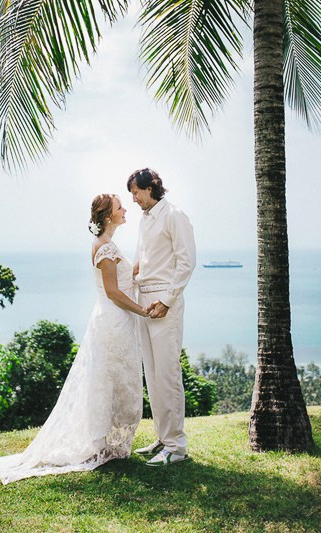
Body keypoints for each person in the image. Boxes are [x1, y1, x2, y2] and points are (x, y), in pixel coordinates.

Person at [0, 194, 148, 484]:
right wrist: (142, 310)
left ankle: (109, 443)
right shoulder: (105, 248)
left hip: (116, 320)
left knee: (114, 380)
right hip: (113, 320)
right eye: (120, 206)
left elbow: (123, 282)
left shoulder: (110, 245)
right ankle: (100, 444)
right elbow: (113, 292)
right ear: (108, 216)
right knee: (107, 381)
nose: (125, 209)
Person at [127, 168, 196, 467]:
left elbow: (186, 262)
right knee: (152, 374)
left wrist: (168, 301)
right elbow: (146, 258)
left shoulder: (174, 215)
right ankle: (162, 438)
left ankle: (177, 447)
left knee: (167, 374)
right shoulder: (145, 220)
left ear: (151, 187)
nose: (133, 199)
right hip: (144, 300)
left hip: (165, 301)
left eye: (136, 192)